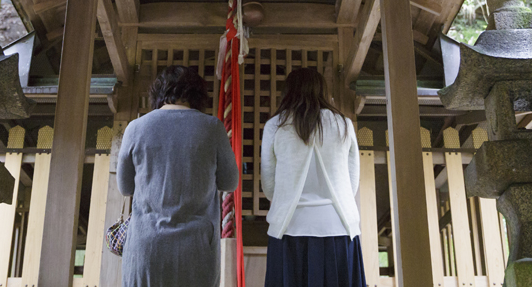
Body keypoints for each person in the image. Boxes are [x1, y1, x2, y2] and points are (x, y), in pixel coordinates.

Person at [117, 65, 239, 287]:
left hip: (146, 249)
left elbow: (125, 187)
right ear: (198, 95)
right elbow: (230, 182)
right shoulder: (212, 128)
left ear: (158, 94)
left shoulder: (135, 128)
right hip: (196, 250)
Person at [261, 68, 367, 287]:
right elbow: (352, 183)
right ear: (322, 91)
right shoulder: (343, 125)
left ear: (288, 92)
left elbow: (269, 187)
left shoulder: (276, 126)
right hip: (338, 227)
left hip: (290, 229)